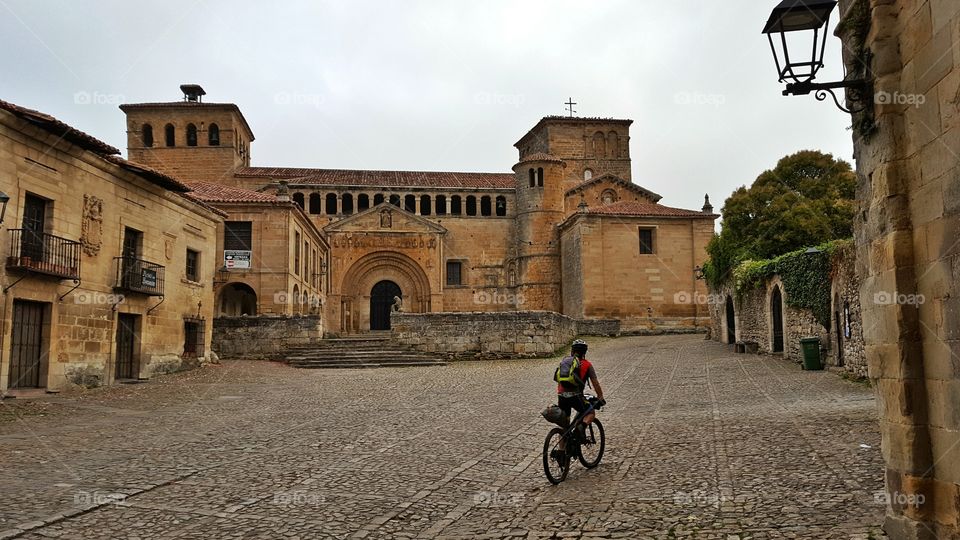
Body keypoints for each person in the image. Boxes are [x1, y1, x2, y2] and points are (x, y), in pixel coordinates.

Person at [556, 339, 605, 445]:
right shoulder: (587, 364)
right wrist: (600, 396)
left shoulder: (565, 361)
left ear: (572, 351)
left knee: (564, 424)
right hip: (575, 396)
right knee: (590, 413)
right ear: (584, 352)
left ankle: (561, 451)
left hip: (561, 395)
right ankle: (580, 427)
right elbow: (595, 383)